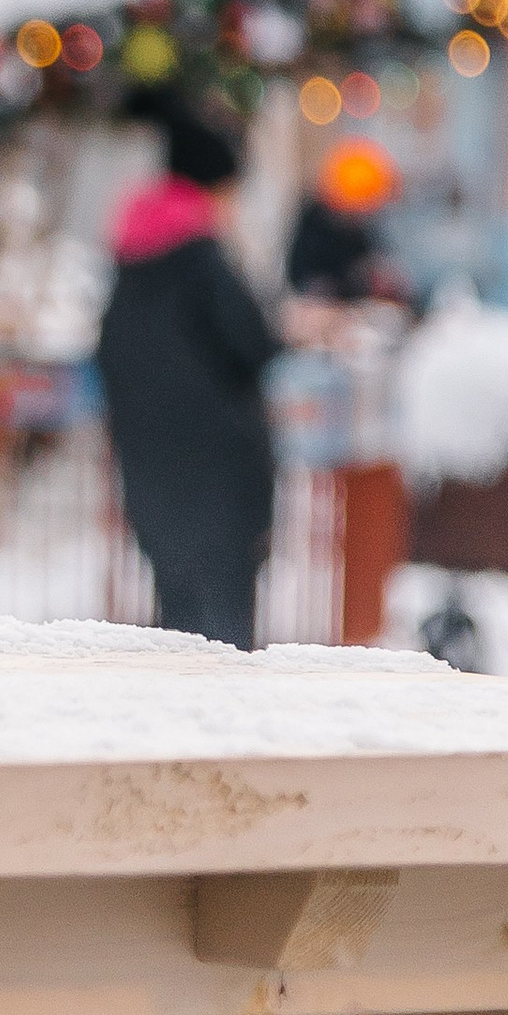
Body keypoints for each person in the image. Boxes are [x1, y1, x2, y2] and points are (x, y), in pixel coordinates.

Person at [95, 94, 281, 649]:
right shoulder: (200, 253)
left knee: (177, 623)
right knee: (224, 636)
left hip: (152, 470)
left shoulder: (131, 255)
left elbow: (108, 353)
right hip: (220, 472)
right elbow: (255, 341)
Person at [286, 135, 404, 309]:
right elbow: (306, 283)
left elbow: (378, 266)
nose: (364, 216)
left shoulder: (361, 231)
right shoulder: (314, 229)